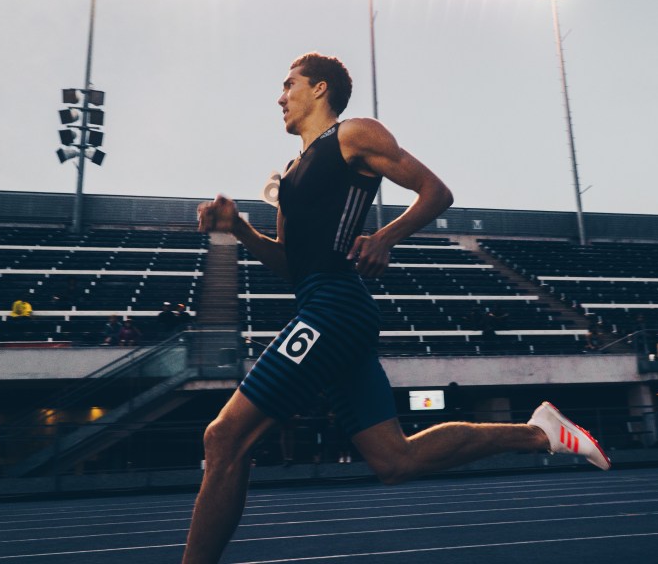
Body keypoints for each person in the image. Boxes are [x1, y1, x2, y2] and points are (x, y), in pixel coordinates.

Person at [183, 52, 610, 564]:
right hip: (324, 304)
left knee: (224, 437)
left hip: (334, 308)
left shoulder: (352, 135)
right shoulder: (292, 174)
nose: (280, 97)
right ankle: (539, 433)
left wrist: (386, 236)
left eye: (289, 84)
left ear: (319, 89)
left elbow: (436, 192)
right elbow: (292, 266)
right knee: (394, 460)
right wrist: (241, 229)